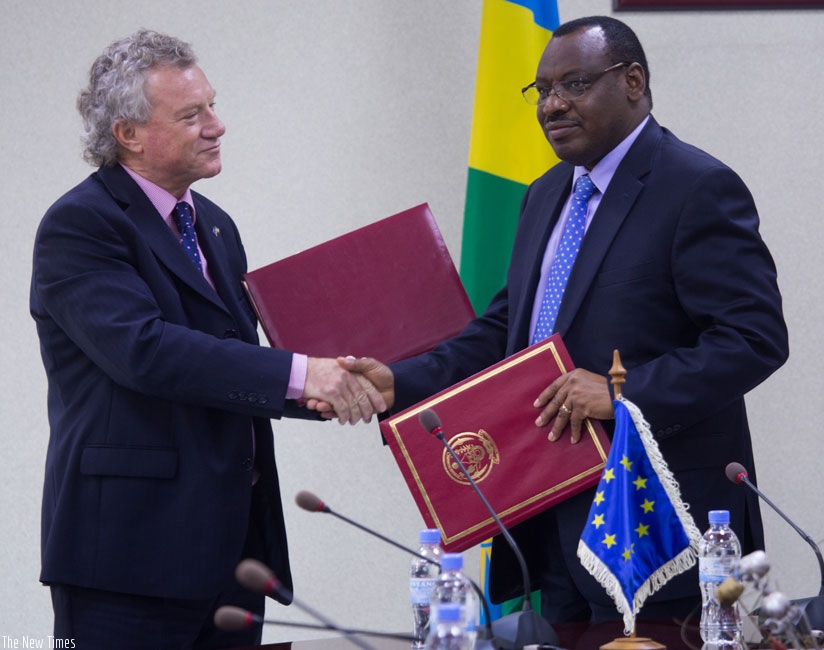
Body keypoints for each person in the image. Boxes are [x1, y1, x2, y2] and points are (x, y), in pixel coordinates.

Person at [331, 15, 789, 624]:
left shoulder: (696, 187)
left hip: (655, 521)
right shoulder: (546, 192)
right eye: (542, 90)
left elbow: (754, 339)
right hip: (545, 509)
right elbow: (507, 331)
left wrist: (621, 393)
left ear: (632, 82)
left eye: (573, 84)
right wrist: (402, 380)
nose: (552, 105)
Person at [29, 29, 385, 649]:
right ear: (129, 134)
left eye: (212, 105)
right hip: (128, 560)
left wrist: (340, 385)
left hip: (233, 553)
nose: (217, 125)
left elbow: (231, 366)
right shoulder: (80, 225)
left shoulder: (213, 225)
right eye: (192, 115)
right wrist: (305, 375)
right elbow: (147, 352)